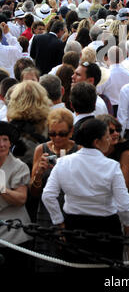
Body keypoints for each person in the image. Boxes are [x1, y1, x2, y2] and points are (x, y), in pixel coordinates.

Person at [42, 118, 129, 263]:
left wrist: (60, 223)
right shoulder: (112, 166)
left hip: (73, 225)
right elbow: (125, 205)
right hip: (106, 227)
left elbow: (48, 196)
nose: (110, 139)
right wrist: (127, 229)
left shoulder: (63, 163)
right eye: (107, 136)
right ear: (97, 142)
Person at [29, 108, 79, 272]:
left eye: (62, 134)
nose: (57, 138)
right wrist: (39, 172)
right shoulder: (41, 150)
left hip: (71, 212)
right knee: (47, 262)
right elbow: (34, 192)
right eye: (52, 134)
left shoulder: (79, 151)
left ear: (71, 131)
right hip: (47, 213)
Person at [0, 121, 33, 273]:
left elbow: (21, 199)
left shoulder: (19, 166)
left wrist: (1, 188)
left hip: (14, 236)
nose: (1, 144)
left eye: (5, 139)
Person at [97, 114, 129, 190]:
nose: (116, 133)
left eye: (118, 130)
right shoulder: (90, 150)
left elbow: (124, 186)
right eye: (111, 131)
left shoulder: (125, 152)